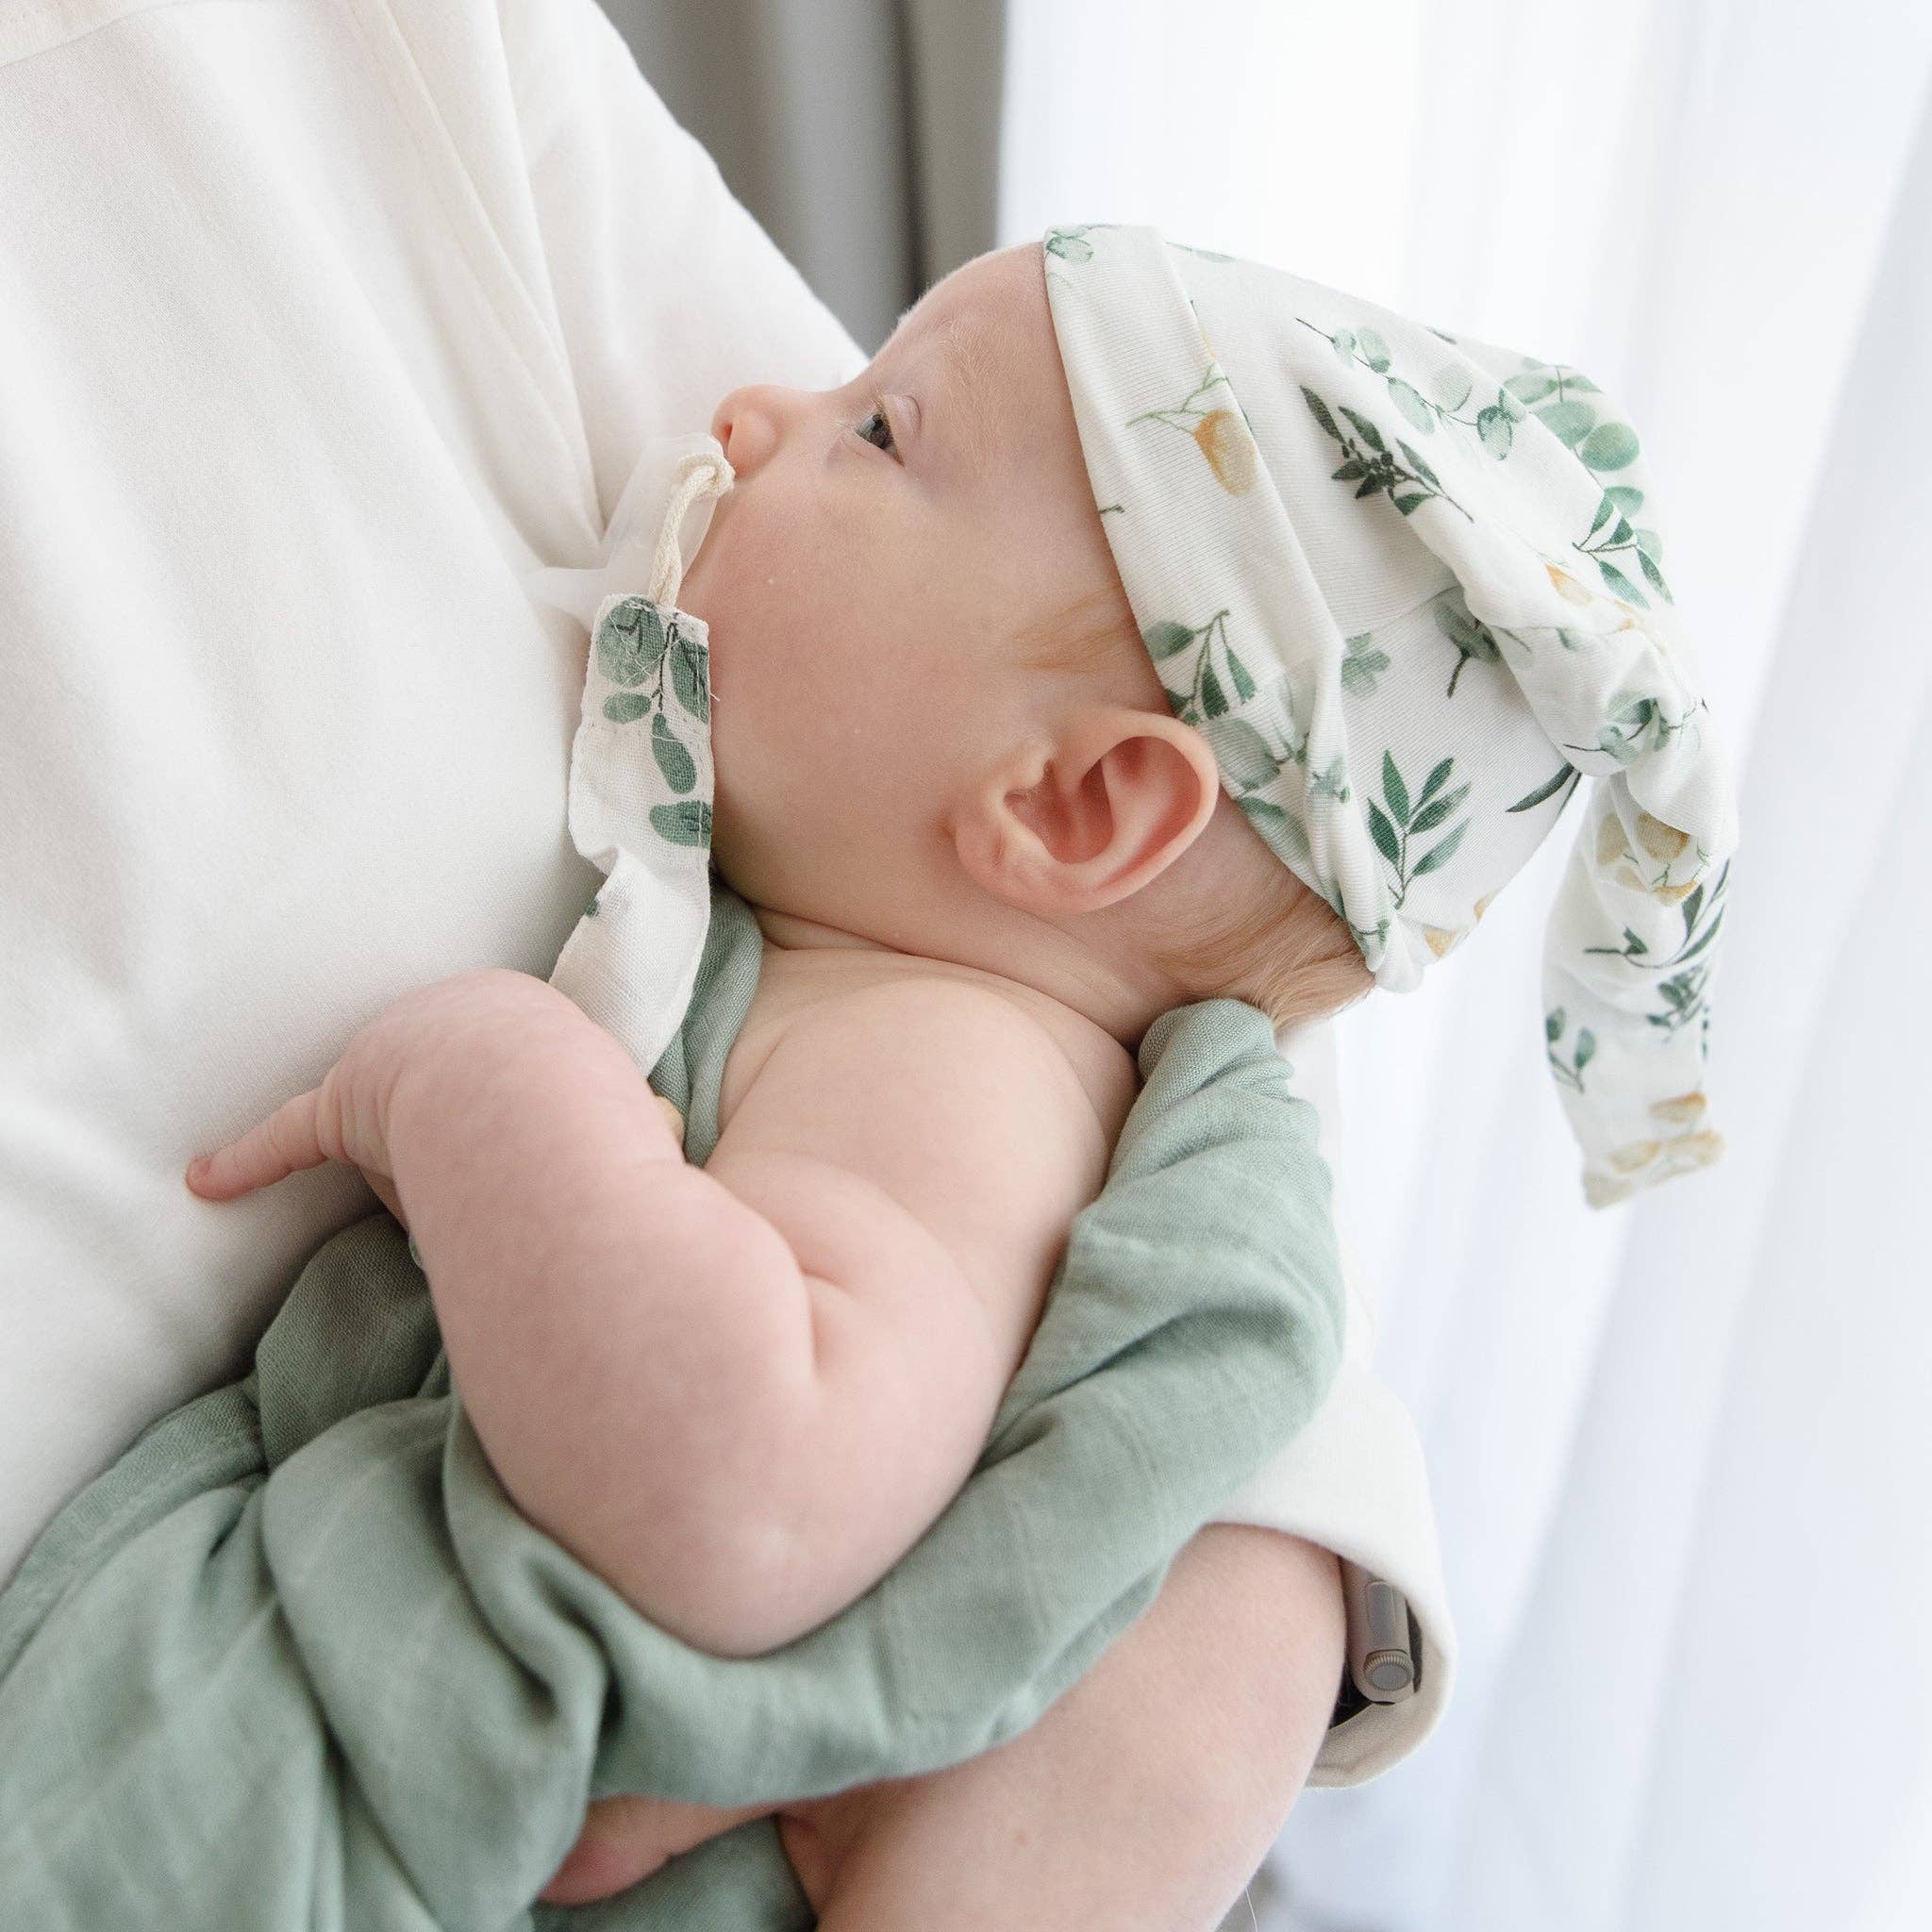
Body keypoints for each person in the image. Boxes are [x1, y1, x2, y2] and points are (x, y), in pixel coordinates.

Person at [0, 4, 1454, 1926]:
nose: (751, 418)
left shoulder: (955, 1063)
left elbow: (750, 1493)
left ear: (1077, 808)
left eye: (874, 428)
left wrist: (473, 1084)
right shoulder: (925, 976)